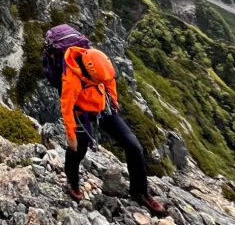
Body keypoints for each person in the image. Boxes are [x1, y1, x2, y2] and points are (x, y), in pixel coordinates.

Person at [60, 46, 167, 215]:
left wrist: (113, 99)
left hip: (103, 108)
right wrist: (71, 135)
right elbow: (66, 108)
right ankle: (72, 183)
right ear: (89, 74)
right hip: (82, 113)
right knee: (77, 151)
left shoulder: (98, 63)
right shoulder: (71, 80)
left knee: (134, 147)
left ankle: (140, 192)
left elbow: (109, 80)